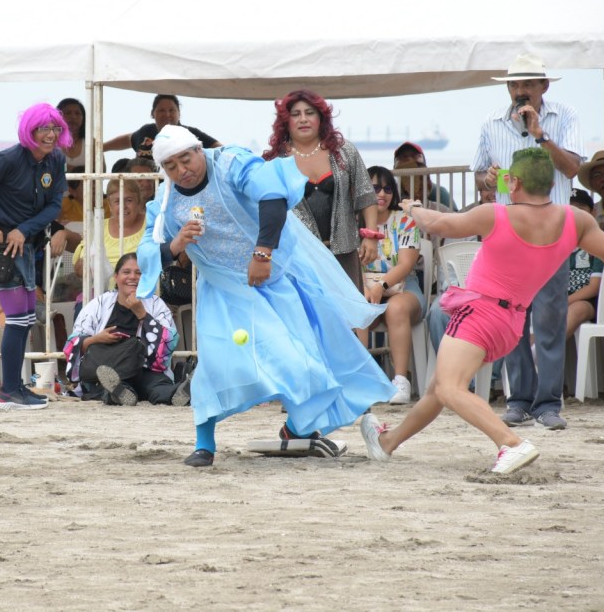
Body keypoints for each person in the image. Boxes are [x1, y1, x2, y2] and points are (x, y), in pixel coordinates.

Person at [361, 148, 604, 474]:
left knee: (449, 388)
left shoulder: (496, 214)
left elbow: (438, 223)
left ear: (514, 182)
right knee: (439, 388)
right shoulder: (576, 220)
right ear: (552, 184)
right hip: (511, 322)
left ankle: (510, 442)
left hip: (479, 313)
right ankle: (388, 442)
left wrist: (412, 207)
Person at [137, 125, 393, 467]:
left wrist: (262, 254)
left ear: (199, 150)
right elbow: (146, 251)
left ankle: (296, 428)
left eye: (186, 159)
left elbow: (272, 195)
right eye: (171, 166)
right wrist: (175, 244)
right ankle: (204, 445)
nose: (182, 170)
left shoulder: (230, 163)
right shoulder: (166, 201)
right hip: (221, 291)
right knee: (214, 365)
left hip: (272, 277)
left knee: (299, 361)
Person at [471, 53, 584, 430]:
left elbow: (573, 168)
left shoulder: (564, 116)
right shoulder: (491, 122)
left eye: (527, 84)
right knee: (511, 320)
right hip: (508, 233)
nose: (519, 90)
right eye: (514, 84)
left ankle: (548, 404)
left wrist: (540, 135)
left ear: (543, 86)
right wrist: (488, 180)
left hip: (552, 231)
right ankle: (519, 400)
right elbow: (480, 177)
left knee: (550, 318)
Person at [0, 103, 69, 412]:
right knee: (17, 318)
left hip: (29, 245)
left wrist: (25, 230)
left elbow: (54, 205)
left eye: (56, 128)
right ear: (30, 130)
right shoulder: (8, 158)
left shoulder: (56, 160)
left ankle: (14, 387)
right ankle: (8, 392)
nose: (51, 135)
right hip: (3, 250)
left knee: (24, 318)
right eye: (44, 128)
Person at [262, 89, 378, 290]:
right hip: (299, 257)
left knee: (349, 310)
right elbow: (266, 211)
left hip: (344, 254)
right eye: (295, 114)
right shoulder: (275, 161)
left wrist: (371, 236)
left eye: (310, 113)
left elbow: (366, 195)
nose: (303, 119)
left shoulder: (344, 150)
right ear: (286, 121)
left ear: (321, 118)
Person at [63, 253, 185, 405]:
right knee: (110, 384)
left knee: (158, 387)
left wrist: (142, 314)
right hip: (110, 369)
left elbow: (170, 342)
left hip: (145, 370)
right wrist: (96, 339)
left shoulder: (155, 304)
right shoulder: (99, 304)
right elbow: (71, 345)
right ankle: (119, 393)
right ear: (116, 276)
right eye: (126, 272)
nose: (132, 277)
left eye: (138, 273)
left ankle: (180, 393)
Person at [361, 167, 426, 404]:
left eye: (388, 188)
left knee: (396, 308)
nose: (382, 194)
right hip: (364, 285)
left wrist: (381, 285)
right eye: (375, 188)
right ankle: (361, 379)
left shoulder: (405, 220)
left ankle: (400, 381)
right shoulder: (352, 221)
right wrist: (365, 289)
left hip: (404, 287)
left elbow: (406, 265)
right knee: (357, 306)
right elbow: (348, 262)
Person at [73, 179, 147, 288]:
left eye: (129, 200)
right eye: (117, 201)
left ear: (139, 203)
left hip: (143, 290)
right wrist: (84, 267)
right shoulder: (99, 227)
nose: (123, 206)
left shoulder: (151, 224)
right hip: (104, 292)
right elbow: (80, 268)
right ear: (110, 205)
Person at [103, 94, 222, 158]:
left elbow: (219, 148)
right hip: (143, 190)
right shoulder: (145, 131)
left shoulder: (190, 133)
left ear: (179, 114)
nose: (167, 115)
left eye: (172, 110)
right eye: (161, 110)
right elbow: (127, 140)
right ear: (152, 114)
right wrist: (100, 148)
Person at [565, 188, 604, 340]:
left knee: (578, 309)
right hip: (561, 300)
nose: (574, 214)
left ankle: (539, 352)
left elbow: (594, 287)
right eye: (568, 209)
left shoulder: (598, 241)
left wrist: (564, 302)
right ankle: (530, 352)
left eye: (580, 208)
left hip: (593, 302)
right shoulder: (554, 243)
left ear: (593, 212)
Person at [393, 141, 454, 209]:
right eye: (402, 157)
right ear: (394, 167)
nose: (410, 160)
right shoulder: (390, 193)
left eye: (415, 156)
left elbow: (455, 214)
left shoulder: (439, 192)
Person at [57, 98, 87, 169]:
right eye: (68, 113)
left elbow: (100, 170)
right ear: (58, 116)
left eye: (77, 113)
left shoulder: (91, 143)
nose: (73, 117)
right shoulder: (50, 141)